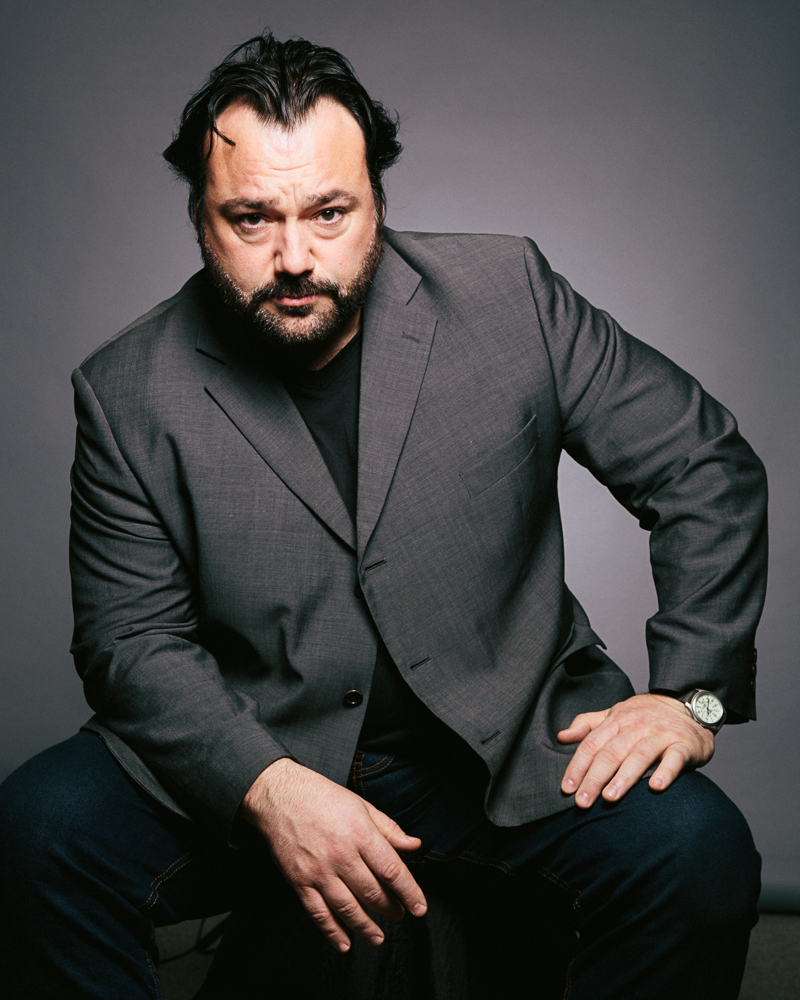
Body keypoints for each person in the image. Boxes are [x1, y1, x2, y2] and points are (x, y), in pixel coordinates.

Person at [0, 30, 767, 1000]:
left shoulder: (510, 295)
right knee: (39, 829)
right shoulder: (127, 388)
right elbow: (130, 640)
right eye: (250, 218)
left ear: (377, 202)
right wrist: (264, 784)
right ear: (200, 216)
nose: (294, 258)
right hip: (257, 749)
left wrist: (691, 695)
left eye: (329, 213)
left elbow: (701, 465)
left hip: (508, 753)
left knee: (697, 851)